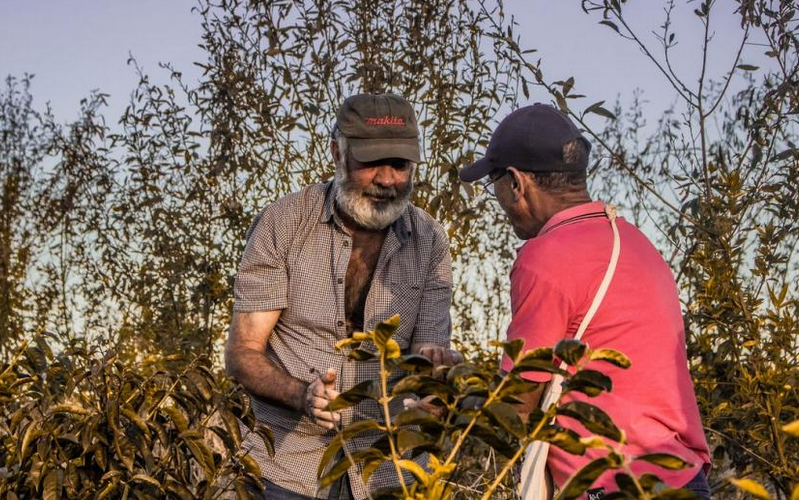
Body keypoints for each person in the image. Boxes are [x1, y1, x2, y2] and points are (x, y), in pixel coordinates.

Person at [458, 104, 711, 499]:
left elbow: (517, 405)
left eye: (495, 184)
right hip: (683, 478)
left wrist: (448, 396)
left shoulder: (545, 257)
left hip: (615, 485)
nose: (500, 200)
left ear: (515, 182)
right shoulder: (637, 245)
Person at [225, 93, 458, 500]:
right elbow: (243, 352)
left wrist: (436, 390)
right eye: (371, 163)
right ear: (336, 151)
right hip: (286, 465)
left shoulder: (430, 241)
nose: (387, 180)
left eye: (400, 165)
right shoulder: (284, 222)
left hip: (389, 470)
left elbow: (428, 353)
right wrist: (301, 394)